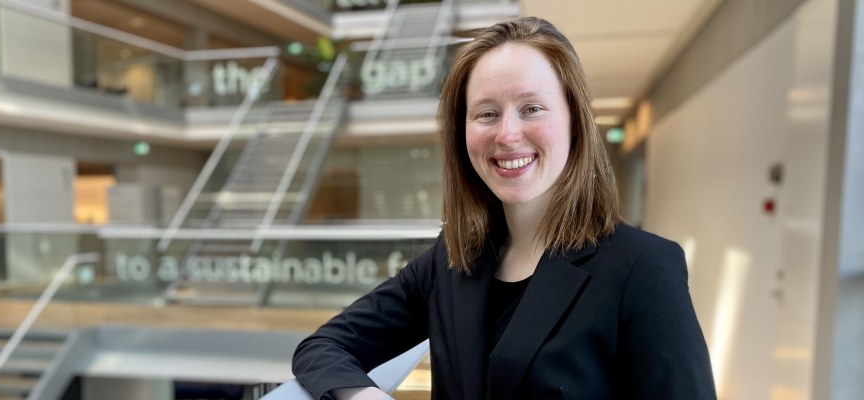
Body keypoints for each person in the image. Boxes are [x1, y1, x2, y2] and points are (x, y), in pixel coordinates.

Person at [292, 16, 716, 400]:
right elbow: (322, 348)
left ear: (574, 122)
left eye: (531, 108)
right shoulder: (451, 260)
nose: (507, 134)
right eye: (487, 114)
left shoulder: (643, 269)